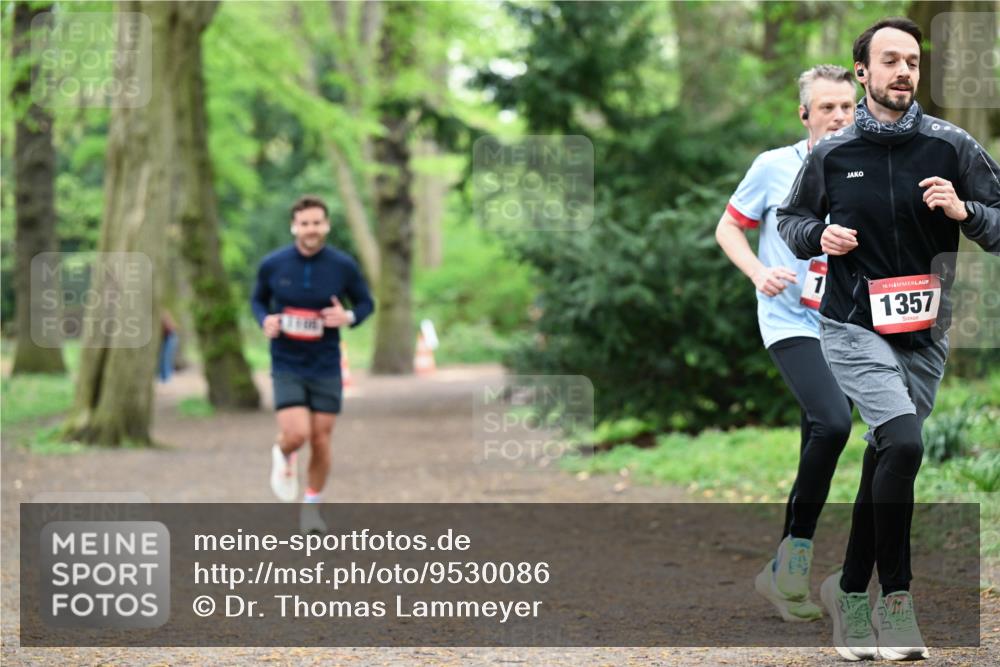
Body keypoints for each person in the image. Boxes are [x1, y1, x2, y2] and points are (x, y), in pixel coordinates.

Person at [778, 17, 1000, 661]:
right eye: (890, 61)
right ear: (862, 73)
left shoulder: (951, 146)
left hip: (925, 331)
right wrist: (819, 237)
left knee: (887, 455)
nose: (904, 71)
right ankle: (896, 604)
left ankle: (848, 592)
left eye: (913, 62)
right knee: (904, 441)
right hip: (852, 325)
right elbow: (792, 220)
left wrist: (966, 212)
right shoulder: (832, 153)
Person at [716, 65, 857, 623]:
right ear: (805, 115)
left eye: (847, 107)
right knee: (834, 423)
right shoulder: (774, 167)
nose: (839, 117)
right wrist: (757, 272)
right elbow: (729, 226)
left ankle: (782, 571)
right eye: (827, 108)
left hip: (847, 323)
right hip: (789, 320)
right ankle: (794, 558)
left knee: (815, 442)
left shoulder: (869, 168)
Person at [251, 195, 374, 534]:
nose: (311, 229)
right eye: (305, 223)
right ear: (294, 226)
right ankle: (284, 452)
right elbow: (257, 300)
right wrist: (265, 321)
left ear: (327, 225)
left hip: (326, 364)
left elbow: (366, 303)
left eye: (317, 223)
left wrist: (347, 316)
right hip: (287, 362)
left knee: (321, 439)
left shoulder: (342, 266)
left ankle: (310, 509)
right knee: (297, 434)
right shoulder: (273, 264)